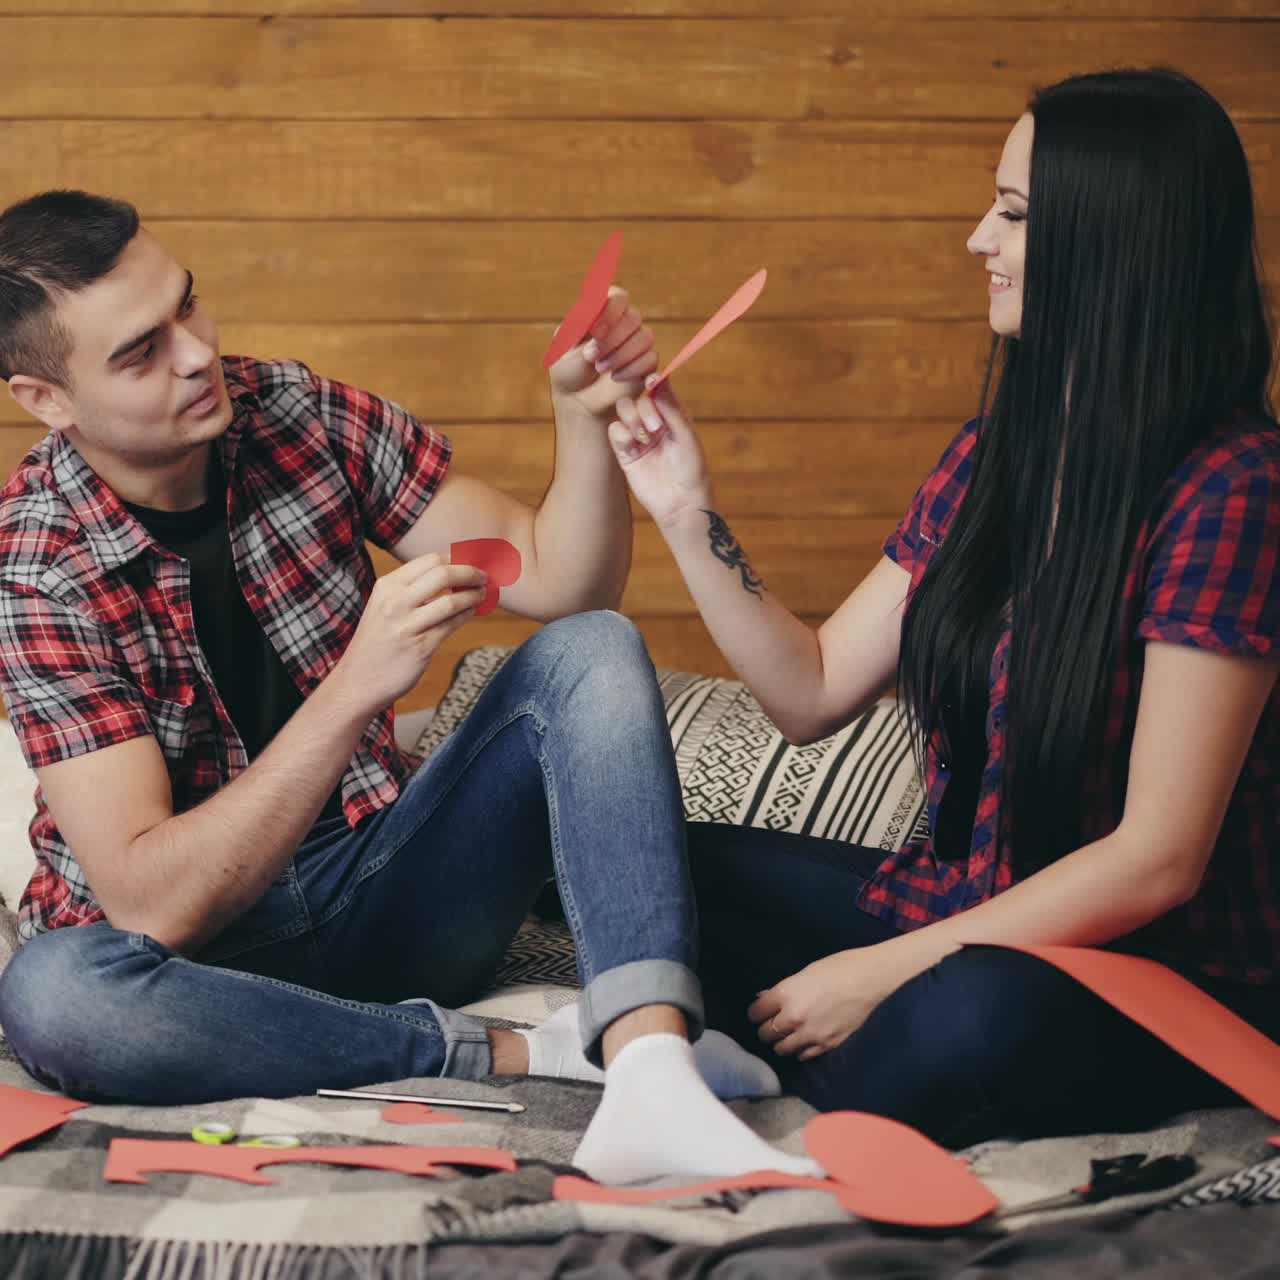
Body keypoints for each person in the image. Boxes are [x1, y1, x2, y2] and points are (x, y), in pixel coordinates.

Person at [0, 191, 811, 1186]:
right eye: (140, 352)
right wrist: (352, 687)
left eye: (189, 306)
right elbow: (149, 902)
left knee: (592, 646)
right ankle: (535, 1052)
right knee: (54, 996)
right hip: (199, 970)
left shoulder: (294, 413)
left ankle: (650, 1065)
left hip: (383, 888)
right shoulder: (38, 565)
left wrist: (578, 415)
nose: (197, 352)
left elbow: (563, 578)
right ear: (48, 398)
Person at [606, 68, 1280, 1147]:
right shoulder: (992, 458)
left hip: (1154, 974)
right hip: (961, 908)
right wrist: (685, 510)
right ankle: (764, 1044)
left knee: (957, 1024)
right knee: (633, 853)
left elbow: (1157, 856)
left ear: (1113, 244)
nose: (976, 238)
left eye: (1011, 214)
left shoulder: (1233, 489)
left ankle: (792, 1050)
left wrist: (872, 970)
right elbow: (809, 691)